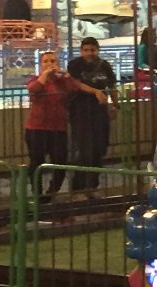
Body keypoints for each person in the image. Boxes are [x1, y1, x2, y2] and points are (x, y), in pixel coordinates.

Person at [64, 37, 117, 191]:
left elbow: (112, 86)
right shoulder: (74, 65)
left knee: (100, 148)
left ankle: (93, 184)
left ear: (97, 50)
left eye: (92, 50)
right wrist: (95, 92)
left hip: (99, 112)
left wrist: (115, 105)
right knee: (84, 149)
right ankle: (79, 186)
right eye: (86, 50)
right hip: (80, 111)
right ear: (81, 51)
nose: (89, 53)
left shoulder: (104, 66)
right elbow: (76, 83)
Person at [24, 50, 76, 200]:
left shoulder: (62, 81)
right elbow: (34, 89)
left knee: (60, 161)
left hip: (58, 128)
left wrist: (66, 76)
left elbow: (73, 89)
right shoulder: (35, 79)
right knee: (37, 161)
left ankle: (52, 192)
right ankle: (37, 192)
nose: (49, 64)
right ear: (40, 64)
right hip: (36, 128)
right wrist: (45, 75)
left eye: (52, 61)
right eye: (46, 61)